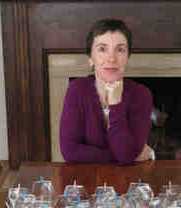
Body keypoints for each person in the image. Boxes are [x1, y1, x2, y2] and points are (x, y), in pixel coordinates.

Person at [59, 19, 154, 164]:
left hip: (128, 177)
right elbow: (70, 152)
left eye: (120, 50)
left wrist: (116, 104)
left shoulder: (142, 95)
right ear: (91, 59)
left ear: (128, 57)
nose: (112, 58)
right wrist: (122, 157)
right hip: (85, 176)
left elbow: (126, 155)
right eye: (102, 49)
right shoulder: (77, 89)